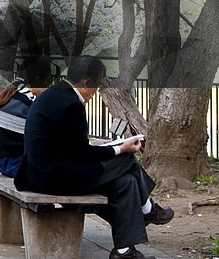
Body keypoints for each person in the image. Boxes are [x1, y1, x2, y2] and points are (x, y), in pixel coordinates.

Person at [15, 56, 173, 259]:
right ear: (87, 83)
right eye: (97, 86)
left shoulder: (55, 94)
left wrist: (97, 145)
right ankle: (148, 208)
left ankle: (124, 251)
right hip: (52, 178)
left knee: (126, 182)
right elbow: (81, 154)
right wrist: (119, 148)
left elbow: (68, 145)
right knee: (126, 160)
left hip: (41, 171)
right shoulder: (71, 104)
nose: (96, 92)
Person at [0, 56, 52, 177]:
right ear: (37, 79)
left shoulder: (10, 96)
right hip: (17, 165)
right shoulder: (24, 103)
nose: (48, 86)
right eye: (47, 81)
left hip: (3, 163)